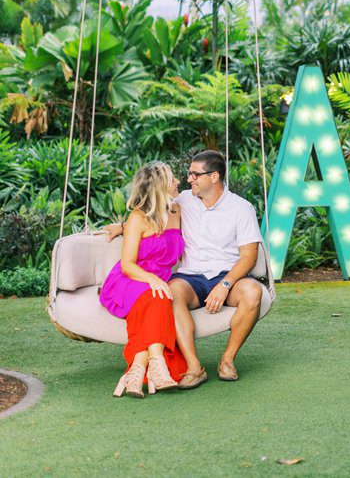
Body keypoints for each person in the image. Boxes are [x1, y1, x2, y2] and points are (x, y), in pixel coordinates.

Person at [105, 150, 265, 389]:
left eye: (194, 174)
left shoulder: (241, 209)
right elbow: (150, 210)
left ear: (214, 176)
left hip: (226, 275)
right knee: (171, 293)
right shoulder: (183, 201)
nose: (188, 178)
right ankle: (194, 367)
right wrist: (122, 227)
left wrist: (225, 285)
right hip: (190, 277)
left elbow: (249, 257)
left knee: (253, 292)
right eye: (188, 174)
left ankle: (227, 360)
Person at [99, 162, 186, 398]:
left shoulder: (177, 211)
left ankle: (136, 369)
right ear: (159, 187)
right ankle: (158, 363)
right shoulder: (137, 217)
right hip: (130, 278)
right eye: (172, 179)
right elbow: (127, 264)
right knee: (159, 296)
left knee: (158, 297)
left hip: (157, 280)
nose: (178, 182)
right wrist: (151, 279)